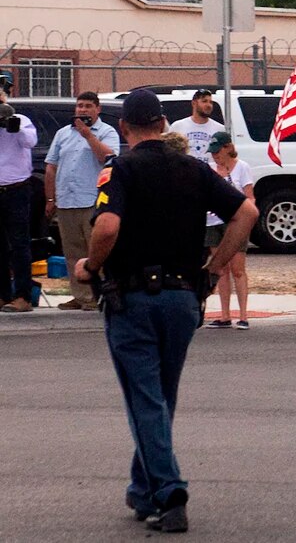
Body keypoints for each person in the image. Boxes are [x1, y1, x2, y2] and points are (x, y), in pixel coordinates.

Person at [73, 89, 257, 533]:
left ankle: (170, 490)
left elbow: (108, 225)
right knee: (159, 396)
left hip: (133, 297)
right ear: (161, 124)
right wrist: (212, 274)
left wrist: (90, 266)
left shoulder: (120, 168)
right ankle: (143, 489)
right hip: (182, 297)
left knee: (144, 398)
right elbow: (247, 211)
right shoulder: (193, 169)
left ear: (124, 128)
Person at [44, 91, 120, 311]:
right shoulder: (63, 133)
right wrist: (51, 198)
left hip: (92, 201)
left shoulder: (106, 132)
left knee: (96, 249)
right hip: (67, 200)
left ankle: (101, 295)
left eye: (88, 106)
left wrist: (88, 136)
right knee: (72, 251)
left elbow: (108, 158)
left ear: (97, 109)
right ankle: (81, 296)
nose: (83, 110)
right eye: (79, 106)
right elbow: (51, 166)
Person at [204, 132, 255, 330]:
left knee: (238, 269)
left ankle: (243, 315)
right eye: (213, 153)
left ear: (228, 148)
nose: (215, 156)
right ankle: (225, 315)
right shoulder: (209, 170)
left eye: (218, 151)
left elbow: (249, 196)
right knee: (220, 268)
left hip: (234, 221)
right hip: (212, 221)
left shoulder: (242, 167)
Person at [0, 93, 37, 313]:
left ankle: (23, 296)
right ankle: (3, 295)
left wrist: (14, 125)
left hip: (17, 190)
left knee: (20, 245)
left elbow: (30, 142)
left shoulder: (21, 119)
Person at [168, 89, 224, 160]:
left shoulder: (220, 129)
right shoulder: (177, 127)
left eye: (210, 102)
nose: (208, 105)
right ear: (194, 103)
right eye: (204, 101)